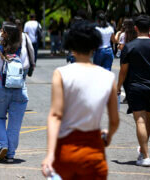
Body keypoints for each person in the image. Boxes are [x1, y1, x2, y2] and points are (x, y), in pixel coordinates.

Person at [41, 21, 119, 179]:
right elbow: (114, 120)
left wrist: (50, 154)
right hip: (94, 153)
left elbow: (55, 115)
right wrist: (108, 136)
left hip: (66, 152)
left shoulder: (61, 73)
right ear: (94, 46)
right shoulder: (108, 77)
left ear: (71, 46)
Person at [117, 15, 150, 167]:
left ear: (135, 28)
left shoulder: (129, 47)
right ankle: (143, 151)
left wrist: (118, 87)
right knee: (148, 119)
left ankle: (146, 156)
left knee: (140, 120)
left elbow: (123, 71)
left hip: (135, 87)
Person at [0, 23, 30, 163]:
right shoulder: (21, 51)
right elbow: (26, 67)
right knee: (15, 123)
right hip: (19, 88)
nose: (0, 32)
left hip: (1, 87)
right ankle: (10, 154)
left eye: (2, 31)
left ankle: (3, 145)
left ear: (5, 34)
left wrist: (0, 77)